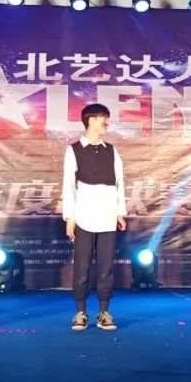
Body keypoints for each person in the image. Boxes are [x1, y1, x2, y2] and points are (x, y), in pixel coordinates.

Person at [63, 103, 127, 331]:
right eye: (102, 118)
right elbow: (69, 186)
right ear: (90, 120)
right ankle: (80, 312)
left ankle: (104, 311)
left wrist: (119, 212)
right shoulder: (74, 150)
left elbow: (119, 183)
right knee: (81, 266)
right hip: (83, 216)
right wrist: (70, 218)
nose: (106, 123)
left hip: (107, 216)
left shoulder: (112, 150)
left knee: (106, 266)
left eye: (107, 118)